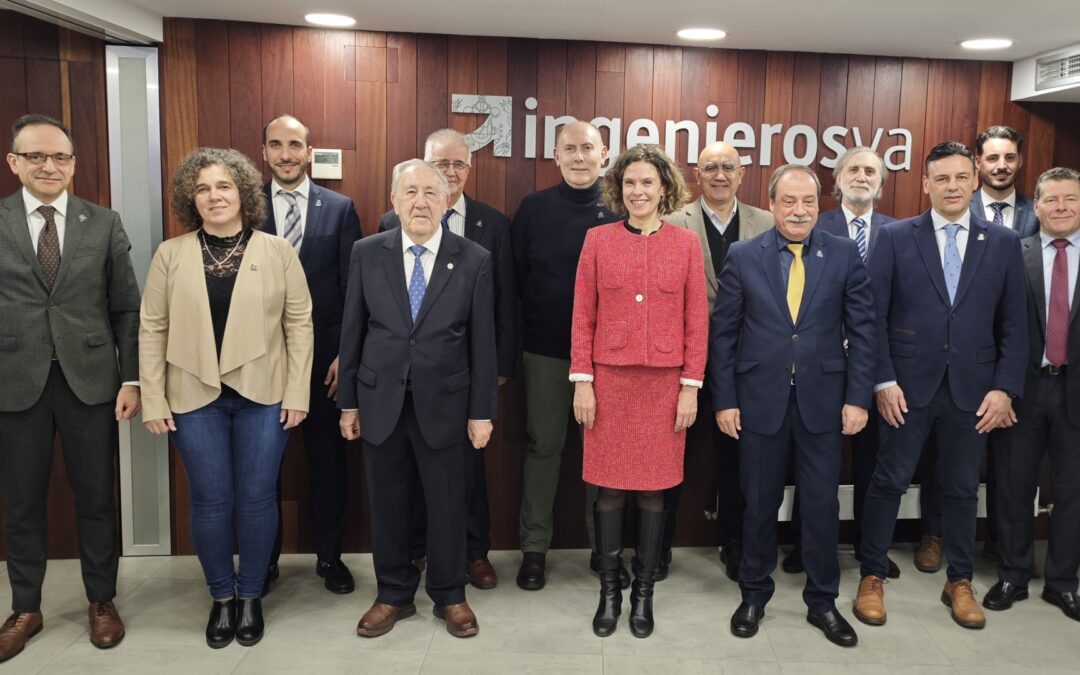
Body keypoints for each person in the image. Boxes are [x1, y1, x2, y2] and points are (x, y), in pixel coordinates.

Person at [140, 147, 314, 648]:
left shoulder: (277, 251)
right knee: (212, 503)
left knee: (257, 501)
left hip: (264, 394)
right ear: (190, 199)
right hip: (193, 396)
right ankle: (222, 598)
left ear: (242, 193)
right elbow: (152, 329)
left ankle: (253, 595)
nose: (214, 196)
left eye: (223, 186)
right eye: (202, 188)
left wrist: (297, 391)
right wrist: (154, 397)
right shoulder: (170, 254)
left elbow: (299, 325)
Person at [855, 142, 1027, 631]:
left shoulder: (1002, 243)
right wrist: (882, 380)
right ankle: (872, 575)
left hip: (973, 391)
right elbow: (872, 317)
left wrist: (1005, 389)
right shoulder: (894, 238)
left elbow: (1015, 325)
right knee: (887, 481)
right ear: (925, 184)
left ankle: (961, 579)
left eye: (959, 177)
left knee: (959, 488)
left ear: (974, 180)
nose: (951, 186)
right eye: (941, 179)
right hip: (906, 388)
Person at [711, 164, 875, 647]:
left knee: (821, 506)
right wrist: (724, 400)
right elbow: (722, 337)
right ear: (772, 203)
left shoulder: (844, 254)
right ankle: (754, 594)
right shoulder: (743, 256)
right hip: (757, 400)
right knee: (757, 503)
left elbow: (864, 333)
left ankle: (822, 601)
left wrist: (858, 398)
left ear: (818, 203)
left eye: (808, 202)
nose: (799, 211)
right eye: (789, 201)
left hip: (825, 403)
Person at [0, 113, 141, 662]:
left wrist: (130, 377)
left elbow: (125, 306)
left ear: (74, 164)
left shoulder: (102, 223)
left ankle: (102, 601)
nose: (48, 166)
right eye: (35, 156)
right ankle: (26, 608)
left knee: (96, 499)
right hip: (14, 383)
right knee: (21, 502)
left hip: (91, 383)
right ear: (14, 163)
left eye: (59, 156)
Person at [339, 159, 497, 639]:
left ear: (447, 202)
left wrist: (482, 412)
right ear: (394, 201)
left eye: (432, 192)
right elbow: (353, 332)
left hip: (446, 404)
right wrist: (348, 402)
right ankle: (392, 593)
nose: (421, 202)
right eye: (411, 192)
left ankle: (450, 596)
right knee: (387, 502)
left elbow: (482, 344)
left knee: (448, 504)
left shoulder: (472, 258)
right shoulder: (367, 252)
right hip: (380, 400)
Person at [571, 144, 707, 638]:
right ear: (618, 189)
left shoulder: (686, 244)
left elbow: (698, 322)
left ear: (665, 188)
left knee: (653, 490)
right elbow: (582, 316)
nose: (638, 191)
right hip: (609, 383)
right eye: (630, 183)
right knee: (607, 489)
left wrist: (690, 387)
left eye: (648, 182)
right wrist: (582, 381)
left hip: (665, 385)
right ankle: (610, 590)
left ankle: (643, 593)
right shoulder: (597, 241)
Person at [379, 128, 515, 589]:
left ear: (469, 170)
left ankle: (473, 553)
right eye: (441, 164)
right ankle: (418, 552)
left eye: (458, 164)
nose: (449, 172)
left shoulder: (491, 225)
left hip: (465, 373)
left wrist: (496, 370)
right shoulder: (386, 225)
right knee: (411, 476)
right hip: (403, 379)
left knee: (465, 473)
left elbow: (503, 304)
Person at [511, 121, 622, 591]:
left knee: (602, 455)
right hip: (546, 354)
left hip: (609, 359)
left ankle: (605, 549)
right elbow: (515, 283)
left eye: (588, 149)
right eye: (570, 149)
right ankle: (534, 550)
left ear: (605, 155)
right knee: (545, 448)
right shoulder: (533, 209)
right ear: (555, 156)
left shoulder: (621, 208)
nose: (579, 157)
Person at [784, 146, 900, 579]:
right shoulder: (813, 225)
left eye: (871, 170)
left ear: (882, 184)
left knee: (872, 459)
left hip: (877, 362)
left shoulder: (897, 232)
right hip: (819, 361)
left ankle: (870, 549)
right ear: (836, 180)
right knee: (809, 459)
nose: (862, 176)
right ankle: (804, 545)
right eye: (853, 168)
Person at [259, 114, 361, 595]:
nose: (286, 154)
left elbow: (353, 289)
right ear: (264, 153)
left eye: (295, 144)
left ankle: (329, 558)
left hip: (325, 363)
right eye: (276, 145)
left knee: (328, 464)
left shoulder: (339, 208)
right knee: (264, 467)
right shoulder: (243, 205)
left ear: (309, 150)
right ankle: (265, 560)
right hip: (259, 360)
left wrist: (346, 353)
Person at [664, 141, 773, 582]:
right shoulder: (673, 222)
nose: (720, 174)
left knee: (737, 459)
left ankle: (734, 541)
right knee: (673, 455)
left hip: (747, 362)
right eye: (711, 167)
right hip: (685, 362)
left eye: (729, 166)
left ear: (742, 173)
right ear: (698, 174)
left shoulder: (766, 223)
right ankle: (660, 544)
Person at [984, 167, 1080, 622]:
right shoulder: (1011, 253)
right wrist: (999, 387)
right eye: (1053, 199)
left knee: (1074, 489)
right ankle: (1013, 575)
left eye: (1071, 199)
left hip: (1075, 388)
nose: (1062, 207)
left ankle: (1063, 582)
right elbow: (995, 325)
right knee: (1013, 485)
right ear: (1035, 206)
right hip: (1022, 387)